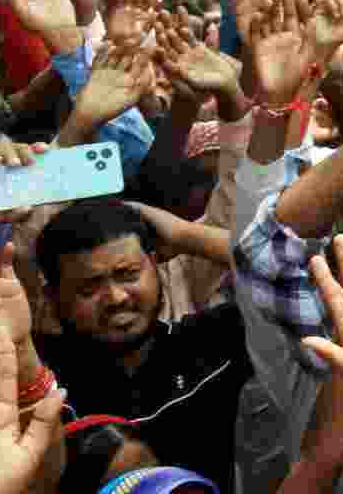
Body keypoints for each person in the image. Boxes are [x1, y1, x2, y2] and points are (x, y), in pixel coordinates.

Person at [32, 200, 252, 492]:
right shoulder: (31, 370)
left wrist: (186, 236)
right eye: (89, 287)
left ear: (156, 265)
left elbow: (304, 276)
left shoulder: (213, 341)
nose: (116, 297)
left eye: (128, 274)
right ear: (52, 295)